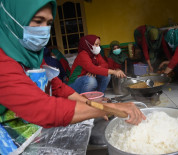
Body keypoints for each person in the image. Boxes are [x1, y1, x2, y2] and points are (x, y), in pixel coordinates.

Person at [0, 0, 145, 154]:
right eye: (37, 21)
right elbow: (44, 109)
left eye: (49, 22)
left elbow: (58, 88)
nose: (44, 30)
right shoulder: (3, 61)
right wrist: (110, 108)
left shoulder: (33, 56)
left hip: (30, 129)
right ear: (12, 19)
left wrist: (95, 106)